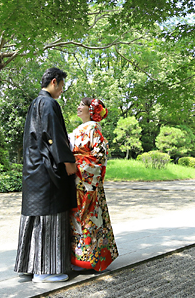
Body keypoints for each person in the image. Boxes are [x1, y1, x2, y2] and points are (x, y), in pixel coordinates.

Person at [14, 67, 78, 283]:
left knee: (35, 218)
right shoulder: (49, 104)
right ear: (54, 82)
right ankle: (45, 271)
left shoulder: (35, 103)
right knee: (50, 219)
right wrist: (68, 162)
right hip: (47, 172)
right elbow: (54, 136)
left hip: (34, 170)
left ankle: (30, 266)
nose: (61, 90)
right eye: (61, 86)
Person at [68, 97, 119, 272]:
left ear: (91, 110)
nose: (78, 107)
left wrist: (76, 164)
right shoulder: (78, 130)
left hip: (88, 182)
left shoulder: (94, 128)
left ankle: (90, 260)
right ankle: (77, 259)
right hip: (76, 180)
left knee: (89, 218)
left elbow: (99, 157)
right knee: (76, 219)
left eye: (81, 105)